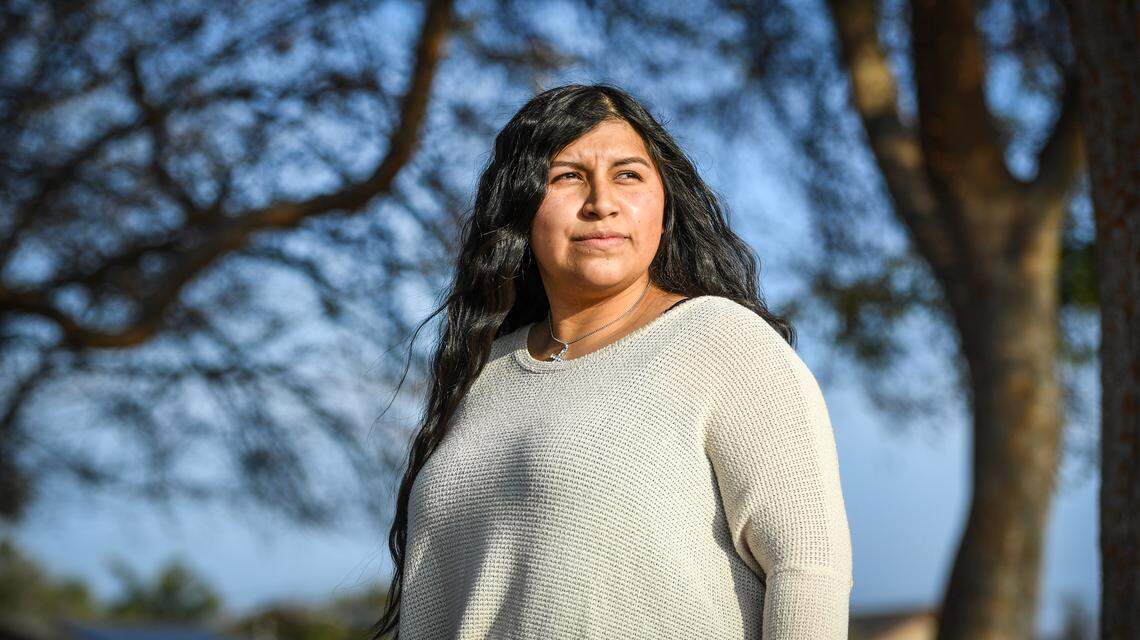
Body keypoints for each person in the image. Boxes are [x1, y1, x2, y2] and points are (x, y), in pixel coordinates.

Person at [370, 83, 853, 639]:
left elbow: (808, 567)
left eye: (628, 174)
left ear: (665, 205)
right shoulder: (484, 372)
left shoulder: (722, 341)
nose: (602, 201)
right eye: (567, 176)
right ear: (521, 208)